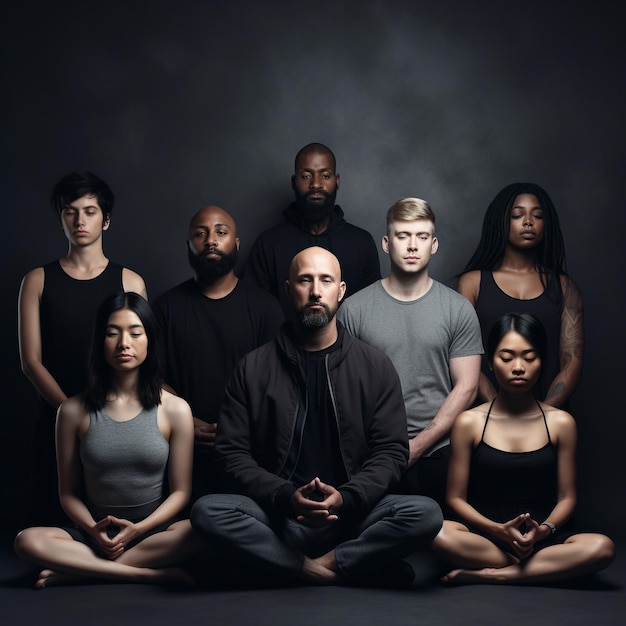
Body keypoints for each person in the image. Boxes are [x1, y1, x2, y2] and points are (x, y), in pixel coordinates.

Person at [190, 246, 443, 586]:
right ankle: (330, 569)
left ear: (341, 291)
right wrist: (283, 495)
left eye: (325, 280)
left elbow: (391, 452)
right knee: (207, 512)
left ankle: (294, 566)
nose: (314, 291)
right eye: (304, 280)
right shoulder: (253, 368)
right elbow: (230, 453)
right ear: (288, 288)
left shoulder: (375, 366)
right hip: (278, 518)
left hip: (352, 518)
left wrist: (349, 497)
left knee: (425, 513)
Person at [14, 292, 203, 588]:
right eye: (112, 333)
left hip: (150, 534)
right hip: (92, 535)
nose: (124, 343)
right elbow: (68, 494)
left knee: (203, 531)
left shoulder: (176, 409)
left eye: (135, 333)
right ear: (100, 341)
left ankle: (77, 571)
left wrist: (137, 530)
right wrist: (93, 529)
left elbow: (181, 493)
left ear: (149, 339)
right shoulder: (72, 410)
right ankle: (146, 574)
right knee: (26, 540)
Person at [432, 312, 614, 585]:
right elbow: (455, 499)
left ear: (541, 362)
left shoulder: (561, 423)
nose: (518, 367)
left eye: (529, 358)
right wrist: (499, 530)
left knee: (602, 547)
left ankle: (499, 575)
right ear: (491, 364)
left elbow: (567, 497)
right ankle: (538, 570)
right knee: (436, 533)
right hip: (486, 536)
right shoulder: (469, 422)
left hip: (544, 536)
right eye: (506, 358)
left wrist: (543, 530)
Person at [18, 171, 147, 525]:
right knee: (48, 520)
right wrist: (71, 415)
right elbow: (31, 362)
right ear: (61, 218)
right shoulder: (37, 280)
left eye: (89, 211)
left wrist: (108, 420)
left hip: (119, 418)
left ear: (106, 220)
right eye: (70, 211)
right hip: (55, 415)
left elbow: (139, 355)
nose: (79, 220)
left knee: (117, 517)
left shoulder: (129, 281)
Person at [338, 198, 483, 508]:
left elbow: (468, 387)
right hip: (371, 450)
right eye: (403, 236)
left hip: (439, 449)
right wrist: (380, 450)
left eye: (421, 236)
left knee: (444, 540)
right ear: (387, 244)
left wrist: (417, 445)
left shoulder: (458, 309)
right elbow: (341, 388)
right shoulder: (353, 309)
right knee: (370, 535)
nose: (412, 245)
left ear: (434, 244)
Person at [152, 205, 284, 499]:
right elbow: (150, 377)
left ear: (236, 244)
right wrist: (186, 422)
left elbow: (277, 381)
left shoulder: (266, 308)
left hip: (252, 451)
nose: (210, 240)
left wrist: (235, 428)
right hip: (182, 450)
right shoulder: (164, 308)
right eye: (200, 234)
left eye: (221, 232)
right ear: (188, 245)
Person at [456, 182, 583, 408]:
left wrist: (544, 414)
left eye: (537, 216)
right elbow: (465, 357)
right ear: (501, 221)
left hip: (549, 418)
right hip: (485, 416)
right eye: (517, 215)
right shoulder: (472, 283)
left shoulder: (565, 287)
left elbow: (571, 360)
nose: (528, 221)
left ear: (547, 224)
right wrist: (497, 410)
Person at [242, 142, 381, 318]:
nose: (316, 184)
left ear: (337, 181)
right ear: (293, 182)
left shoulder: (361, 243)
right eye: (306, 176)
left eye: (325, 175)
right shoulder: (268, 244)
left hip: (348, 345)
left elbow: (372, 312)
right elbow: (252, 313)